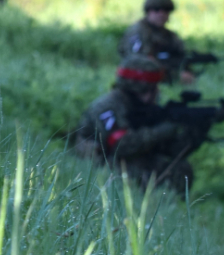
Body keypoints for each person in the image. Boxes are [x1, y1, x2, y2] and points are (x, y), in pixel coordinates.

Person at [74, 55, 205, 196]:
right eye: (151, 88)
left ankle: (167, 208)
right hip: (101, 168)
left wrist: (194, 133)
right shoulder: (107, 108)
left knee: (181, 169)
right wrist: (166, 129)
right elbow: (121, 146)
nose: (156, 93)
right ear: (137, 88)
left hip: (125, 162)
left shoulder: (142, 108)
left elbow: (170, 150)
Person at [119, 0, 195, 84]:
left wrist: (185, 70)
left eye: (166, 10)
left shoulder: (169, 35)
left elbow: (182, 56)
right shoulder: (138, 32)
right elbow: (141, 63)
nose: (161, 14)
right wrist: (175, 75)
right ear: (148, 11)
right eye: (156, 9)